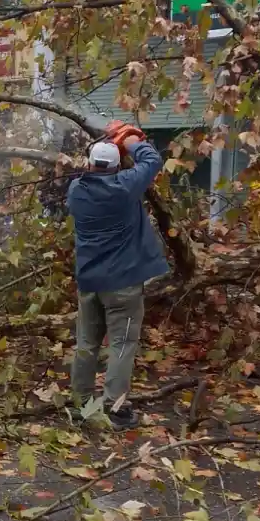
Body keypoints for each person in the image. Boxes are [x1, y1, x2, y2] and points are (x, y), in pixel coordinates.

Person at [67, 135, 167, 429]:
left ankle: (81, 403)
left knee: (86, 343)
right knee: (122, 344)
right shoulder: (124, 187)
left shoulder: (76, 190)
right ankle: (115, 408)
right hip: (122, 283)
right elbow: (152, 161)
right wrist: (133, 141)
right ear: (117, 166)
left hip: (89, 281)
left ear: (89, 164)